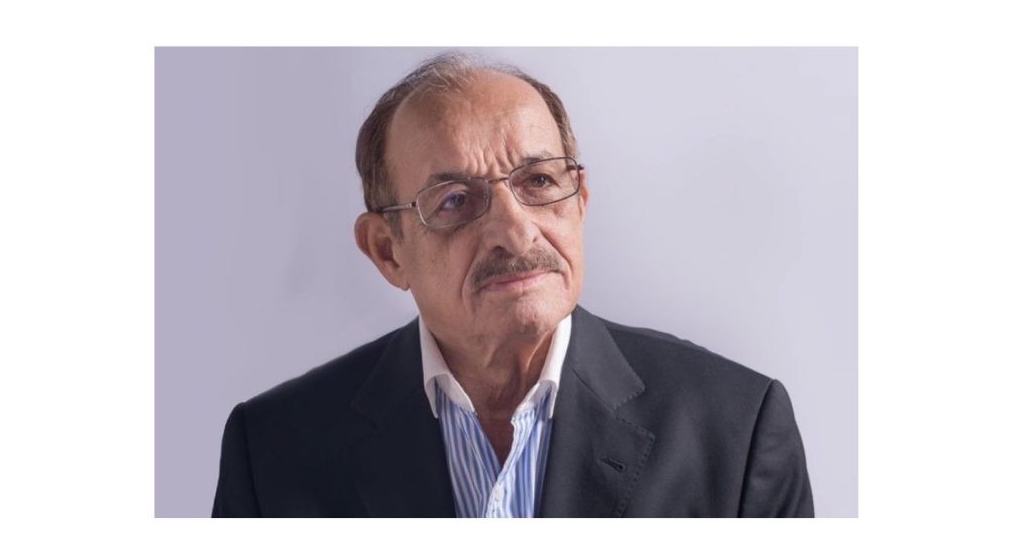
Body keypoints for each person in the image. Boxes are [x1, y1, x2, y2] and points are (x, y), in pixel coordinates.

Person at [212, 52, 814, 517]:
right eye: (454, 200)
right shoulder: (273, 451)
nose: (515, 231)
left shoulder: (737, 430)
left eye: (539, 182)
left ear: (579, 203)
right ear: (388, 251)